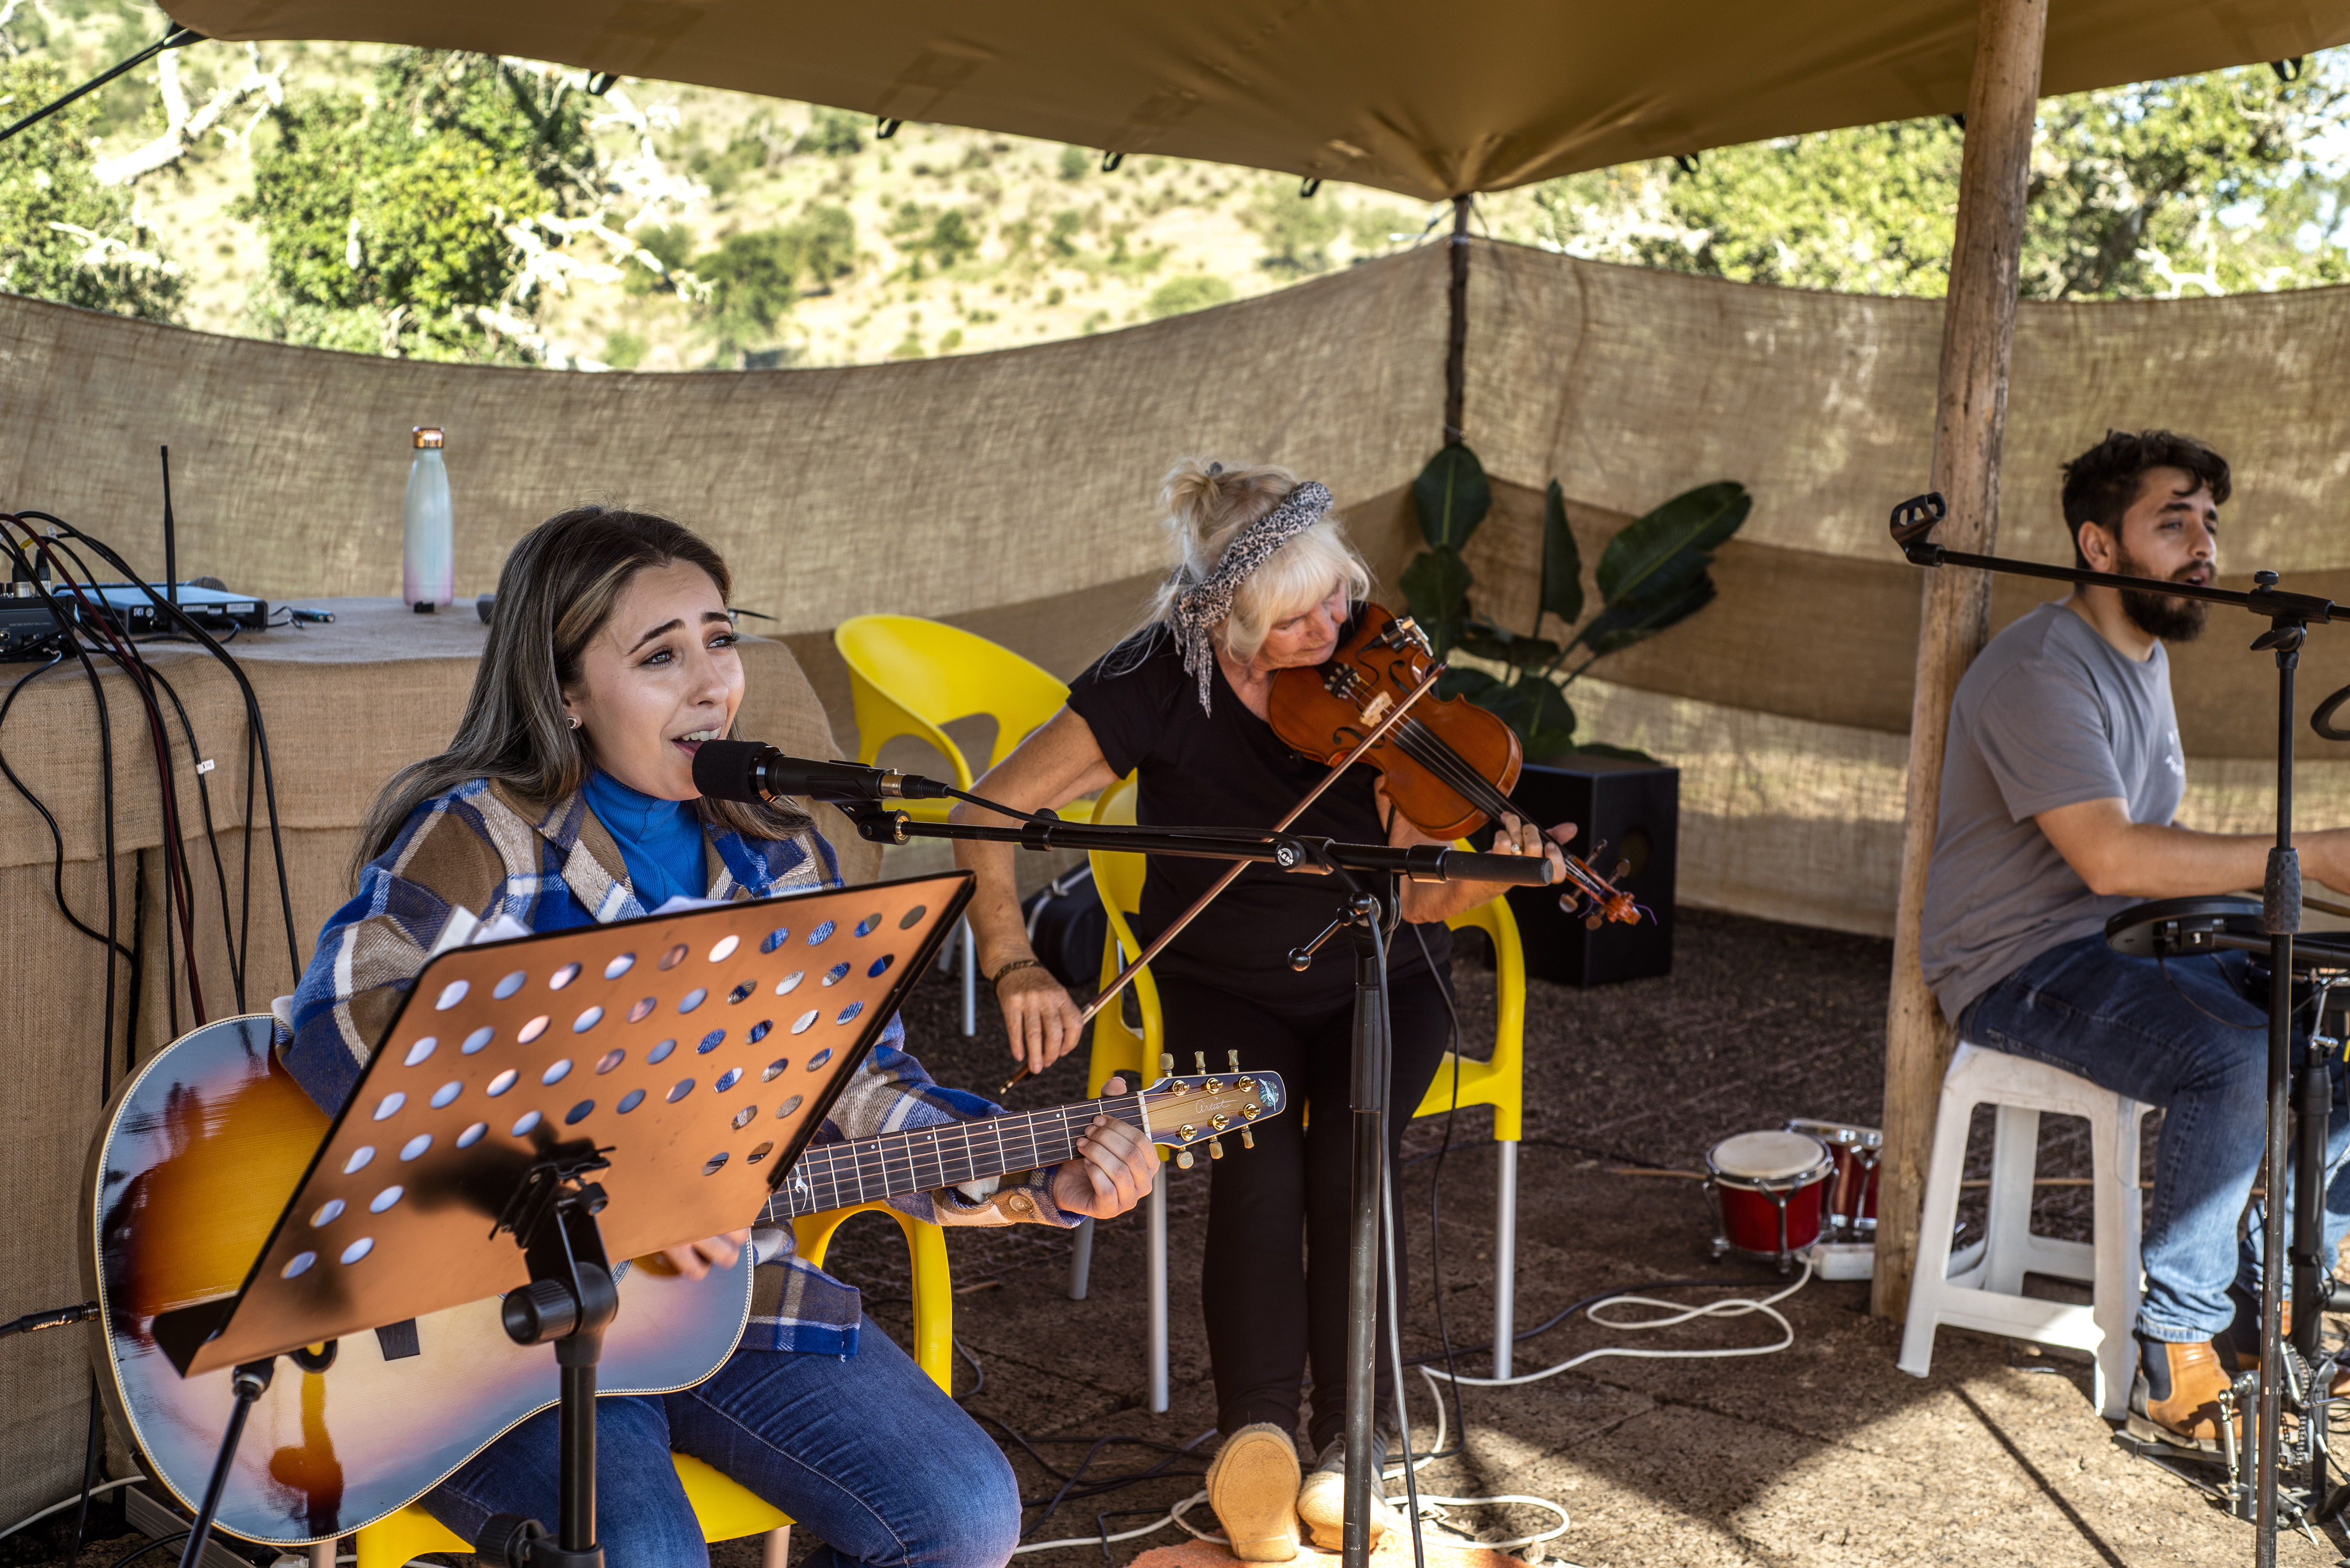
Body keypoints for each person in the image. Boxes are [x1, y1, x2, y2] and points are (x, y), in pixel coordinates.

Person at [276, 506, 1159, 1568]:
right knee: (644, 1551)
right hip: (496, 1329)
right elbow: (335, 1022)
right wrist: (563, 1170)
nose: (712, 683)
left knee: (963, 1513)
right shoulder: (484, 837)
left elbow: (858, 1088)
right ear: (564, 692)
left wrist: (1032, 1170)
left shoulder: (777, 862)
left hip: (733, 1302)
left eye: (721, 638)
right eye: (661, 655)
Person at [950, 460, 1569, 1558]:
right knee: (1257, 1164)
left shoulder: (1378, 669)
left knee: (1350, 1163)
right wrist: (1014, 961)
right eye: (1298, 619)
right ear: (1224, 622)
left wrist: (1495, 874)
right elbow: (990, 808)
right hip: (1223, 984)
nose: (1339, 626)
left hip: (1381, 971)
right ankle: (1257, 1443)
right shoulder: (1154, 679)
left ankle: (1354, 1446)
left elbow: (1423, 893)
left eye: (1339, 591)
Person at [1921, 430, 2350, 1451]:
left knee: (2332, 1017)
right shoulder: (2038, 667)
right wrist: (2316, 854)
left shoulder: (2145, 658)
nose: (2204, 546)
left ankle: (2287, 1286)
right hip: (2017, 958)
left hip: (2128, 939)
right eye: (2173, 522)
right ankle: (2177, 1345)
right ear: (2098, 545)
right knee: (2236, 1057)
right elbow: (2110, 856)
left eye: (2210, 522)